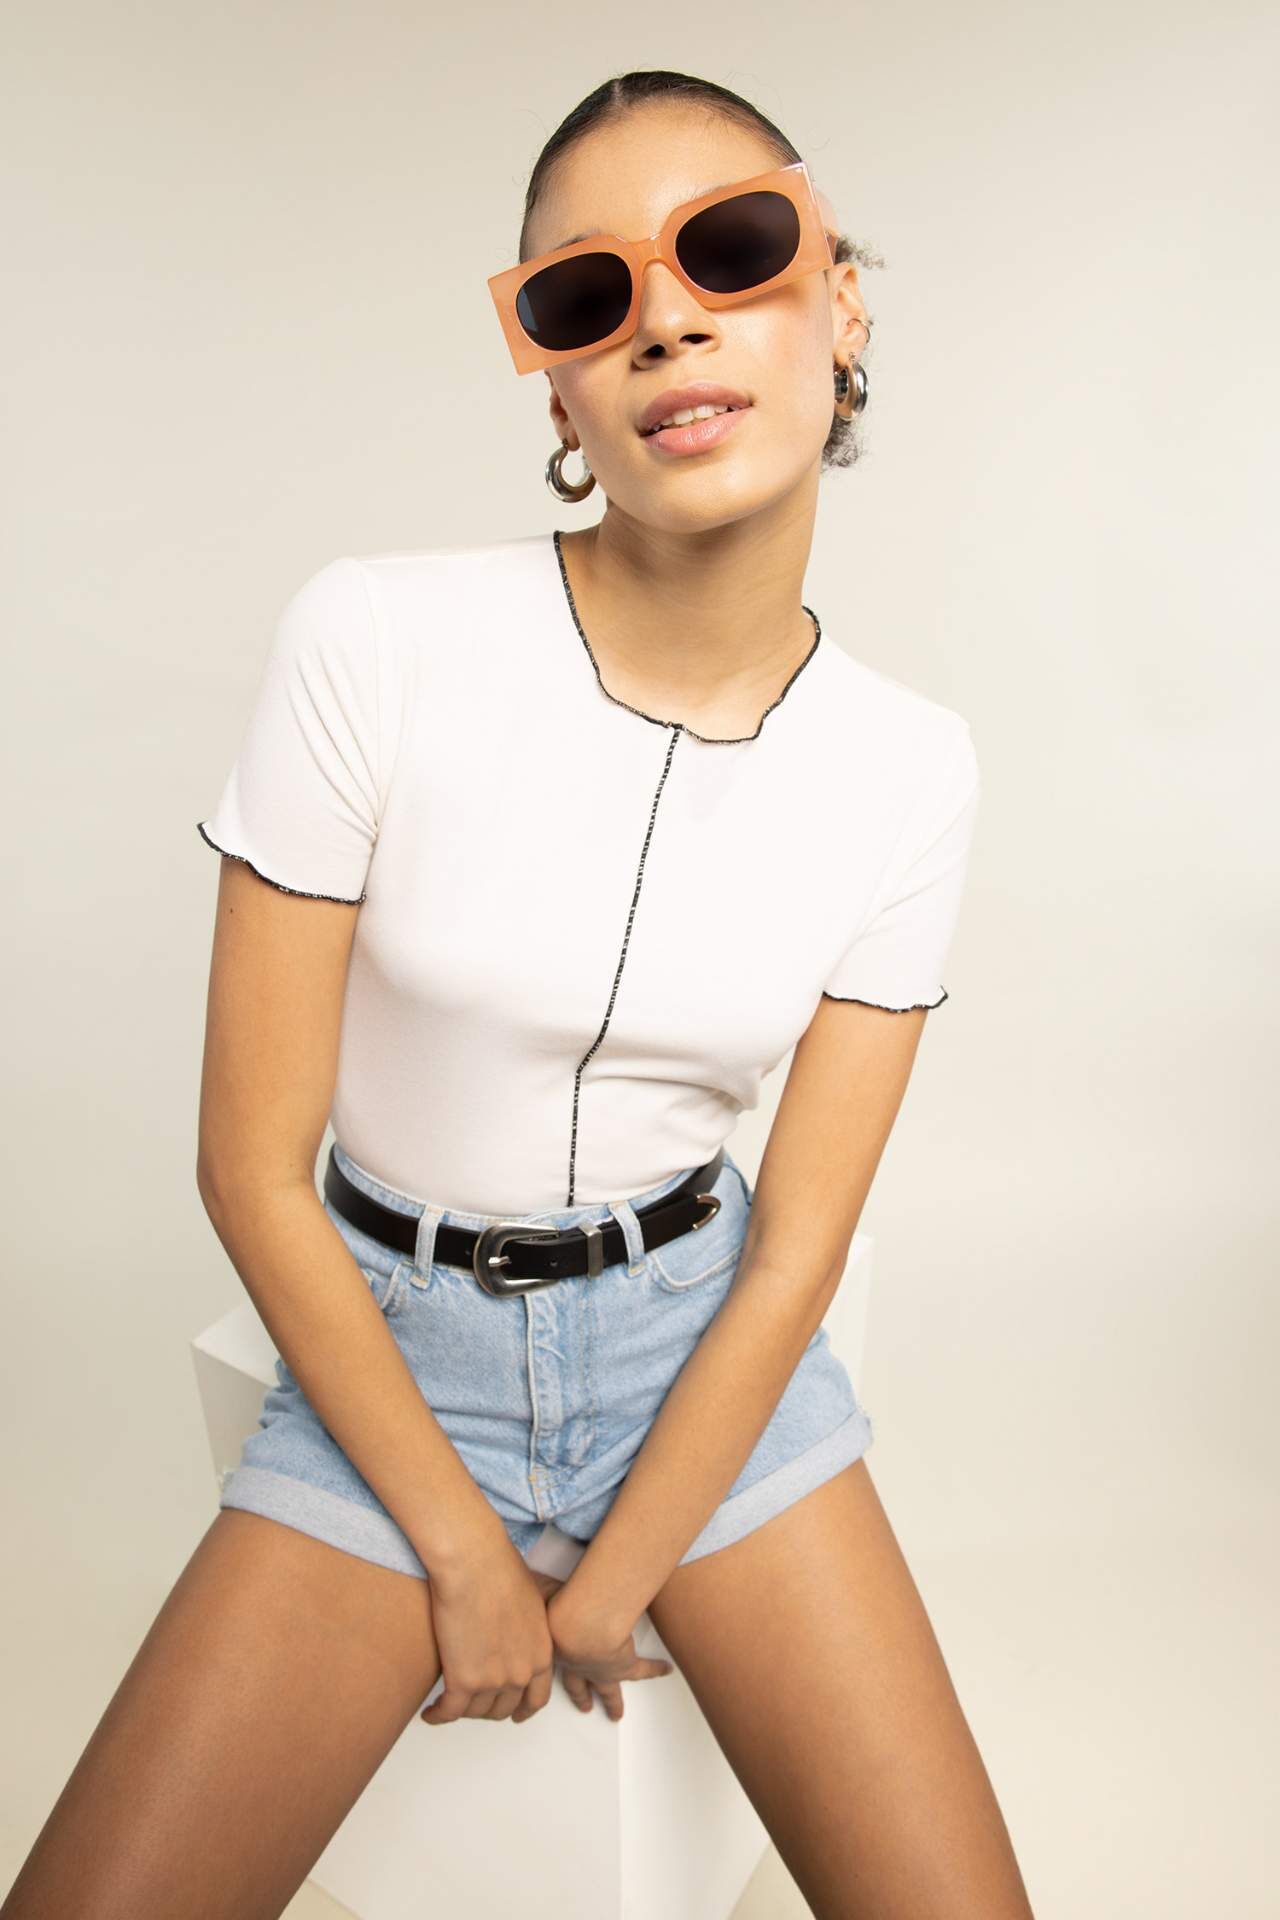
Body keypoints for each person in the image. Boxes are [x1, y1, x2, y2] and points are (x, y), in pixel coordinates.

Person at [1, 67, 1035, 1920]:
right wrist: (466, 1557)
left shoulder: (911, 767)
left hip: (697, 1355)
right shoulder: (376, 637)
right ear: (558, 387)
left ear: (843, 304)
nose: (669, 321)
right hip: (391, 1360)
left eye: (733, 248)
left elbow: (798, 1247)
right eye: (588, 293)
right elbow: (251, 1167)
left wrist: (621, 1572)